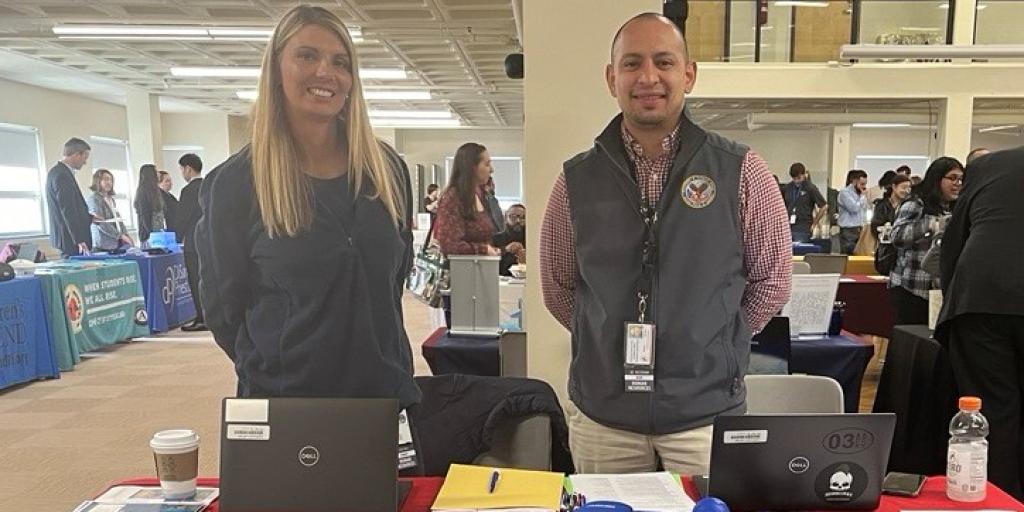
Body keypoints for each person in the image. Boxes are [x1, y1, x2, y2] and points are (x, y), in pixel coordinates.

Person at [539, 12, 791, 475]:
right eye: (632, 63)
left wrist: (718, 341)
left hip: (705, 415)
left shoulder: (741, 171)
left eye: (664, 62)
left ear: (688, 75)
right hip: (604, 419)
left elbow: (771, 280)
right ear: (611, 77)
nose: (648, 77)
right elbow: (558, 288)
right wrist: (603, 343)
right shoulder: (575, 181)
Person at [195, 5, 420, 412]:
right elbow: (223, 309)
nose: (326, 73)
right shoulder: (236, 183)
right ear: (276, 68)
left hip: (385, 396)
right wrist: (274, 363)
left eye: (340, 62)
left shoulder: (387, 172)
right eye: (307, 56)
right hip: (285, 403)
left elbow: (392, 283)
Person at [936, 147, 1024, 499]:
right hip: (981, 297)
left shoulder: (989, 164)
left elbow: (952, 245)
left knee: (993, 413)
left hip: (981, 299)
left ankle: (1000, 500)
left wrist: (951, 300)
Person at [888, 157, 962, 324]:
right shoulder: (916, 203)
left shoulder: (954, 206)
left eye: (960, 179)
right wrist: (932, 225)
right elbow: (897, 236)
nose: (957, 183)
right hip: (911, 287)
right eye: (952, 178)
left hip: (940, 289)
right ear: (937, 178)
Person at [435, 143, 500, 256]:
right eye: (487, 164)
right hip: (463, 271)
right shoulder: (453, 198)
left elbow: (484, 237)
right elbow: (449, 245)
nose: (491, 170)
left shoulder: (479, 194)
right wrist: (483, 250)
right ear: (472, 167)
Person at [46, 137, 93, 257]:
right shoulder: (62, 175)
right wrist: (79, 239)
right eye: (84, 158)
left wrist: (90, 217)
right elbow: (67, 210)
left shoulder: (57, 172)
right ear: (77, 154)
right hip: (70, 240)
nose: (85, 162)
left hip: (68, 237)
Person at [176, 153, 206, 332]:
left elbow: (182, 218)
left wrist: (176, 237)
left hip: (193, 244)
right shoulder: (209, 185)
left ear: (188, 168)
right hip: (207, 241)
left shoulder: (188, 191)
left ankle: (201, 317)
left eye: (181, 169)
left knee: (195, 280)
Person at [86, 169, 132, 251]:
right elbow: (100, 223)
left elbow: (118, 219)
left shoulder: (111, 199)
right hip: (102, 244)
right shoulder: (93, 199)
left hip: (116, 243)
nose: (109, 182)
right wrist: (120, 236)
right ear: (98, 181)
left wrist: (126, 235)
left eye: (111, 180)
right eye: (106, 179)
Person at [781, 162, 826, 243]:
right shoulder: (787, 188)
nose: (796, 181)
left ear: (804, 174)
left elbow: (824, 206)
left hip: (804, 227)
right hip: (787, 227)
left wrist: (815, 223)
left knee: (800, 250)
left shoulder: (810, 188)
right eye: (794, 178)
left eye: (799, 178)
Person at [870, 174, 911, 241]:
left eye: (908, 188)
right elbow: (875, 227)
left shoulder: (909, 206)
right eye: (903, 188)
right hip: (885, 245)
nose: (906, 191)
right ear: (894, 187)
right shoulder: (882, 205)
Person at [134, 164, 168, 245]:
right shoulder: (143, 191)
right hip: (149, 235)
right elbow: (144, 215)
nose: (158, 174)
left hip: (158, 232)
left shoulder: (156, 191)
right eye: (155, 172)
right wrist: (151, 234)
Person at [837, 169, 868, 254]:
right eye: (862, 184)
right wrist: (862, 197)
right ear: (854, 181)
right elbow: (853, 208)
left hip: (860, 228)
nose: (864, 187)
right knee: (848, 256)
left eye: (865, 184)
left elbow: (864, 209)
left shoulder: (861, 194)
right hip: (848, 230)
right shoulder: (845, 193)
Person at [493, 204, 526, 276]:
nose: (518, 221)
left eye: (523, 217)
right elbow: (489, 259)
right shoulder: (496, 239)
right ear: (505, 218)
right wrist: (505, 249)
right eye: (513, 217)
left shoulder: (531, 240)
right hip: (501, 282)